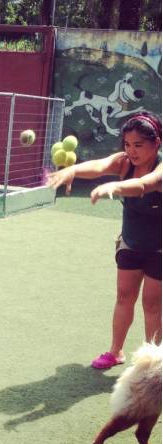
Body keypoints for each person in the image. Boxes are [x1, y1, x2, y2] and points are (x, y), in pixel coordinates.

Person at [48, 111, 162, 369]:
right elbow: (99, 166)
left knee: (152, 304)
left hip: (159, 248)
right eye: (127, 144)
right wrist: (73, 171)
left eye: (138, 145)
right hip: (131, 242)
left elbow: (144, 185)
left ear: (156, 143)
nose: (131, 151)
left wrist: (114, 187)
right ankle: (115, 351)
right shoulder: (123, 162)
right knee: (124, 296)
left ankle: (152, 363)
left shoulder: (161, 167)